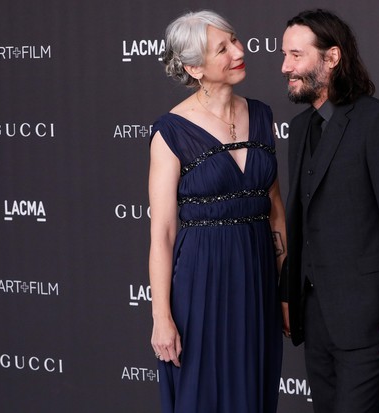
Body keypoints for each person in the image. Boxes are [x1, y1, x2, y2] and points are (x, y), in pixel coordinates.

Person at [279, 9, 379, 413]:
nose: (285, 67)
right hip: (316, 317)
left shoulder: (378, 123)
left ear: (332, 58)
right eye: (284, 56)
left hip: (368, 320)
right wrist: (290, 296)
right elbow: (303, 221)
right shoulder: (298, 129)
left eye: (296, 55)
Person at [148, 10, 285, 413]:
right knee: (203, 393)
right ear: (194, 67)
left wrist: (285, 289)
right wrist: (161, 317)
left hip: (257, 276)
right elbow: (163, 234)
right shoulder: (170, 131)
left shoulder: (261, 115)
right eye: (221, 49)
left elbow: (275, 209)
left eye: (235, 41)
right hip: (200, 281)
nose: (238, 52)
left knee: (254, 389)